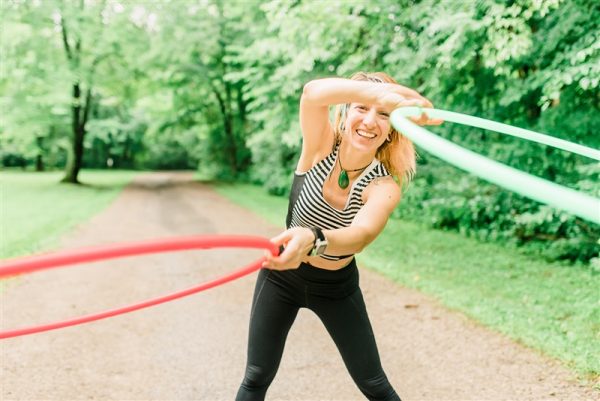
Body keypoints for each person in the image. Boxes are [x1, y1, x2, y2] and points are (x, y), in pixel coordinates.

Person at [236, 72, 442, 401]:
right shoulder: (319, 145)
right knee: (256, 376)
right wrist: (384, 96)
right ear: (344, 113)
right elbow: (312, 91)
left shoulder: (384, 185)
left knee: (374, 385)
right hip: (281, 280)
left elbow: (359, 235)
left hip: (336, 288)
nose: (371, 121)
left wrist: (314, 239)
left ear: (392, 132)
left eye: (385, 116)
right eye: (362, 108)